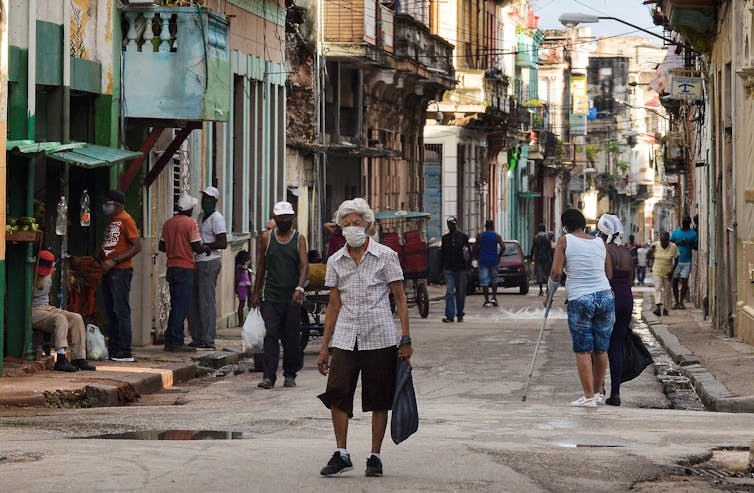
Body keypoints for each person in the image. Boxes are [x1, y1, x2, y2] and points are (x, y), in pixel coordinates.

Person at [316, 198, 412, 478]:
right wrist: (324, 348)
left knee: (379, 398)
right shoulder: (335, 261)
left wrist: (405, 338)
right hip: (346, 336)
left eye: (356, 224)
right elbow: (333, 305)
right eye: (346, 225)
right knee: (337, 393)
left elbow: (400, 298)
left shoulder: (386, 256)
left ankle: (375, 455)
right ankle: (341, 453)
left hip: (380, 335)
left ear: (368, 226)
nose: (351, 229)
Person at [549, 208, 615, 408]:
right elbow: (609, 272)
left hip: (580, 298)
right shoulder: (600, 242)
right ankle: (597, 393)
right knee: (601, 349)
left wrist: (549, 293)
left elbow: (556, 272)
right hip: (605, 295)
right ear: (585, 224)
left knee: (583, 350)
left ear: (565, 226)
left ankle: (587, 397)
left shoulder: (565, 241)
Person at [251, 201, 308, 389]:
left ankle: (290, 374)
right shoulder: (267, 238)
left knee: (291, 337)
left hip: (292, 297)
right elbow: (261, 265)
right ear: (275, 219)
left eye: (287, 218)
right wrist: (256, 292)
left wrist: (299, 289)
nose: (284, 221)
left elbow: (304, 266)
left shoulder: (299, 239)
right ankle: (268, 376)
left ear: (292, 219)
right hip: (271, 296)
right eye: (281, 218)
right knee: (270, 336)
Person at [31, 251, 97, 372]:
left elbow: (49, 295)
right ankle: (61, 357)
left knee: (76, 318)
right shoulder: (29, 274)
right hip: (33, 310)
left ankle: (79, 358)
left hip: (46, 307)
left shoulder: (50, 274)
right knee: (60, 319)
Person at [97, 189, 141, 363]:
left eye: (107, 203)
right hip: (109, 270)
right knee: (111, 310)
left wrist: (114, 261)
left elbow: (136, 246)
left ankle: (124, 350)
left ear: (116, 204)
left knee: (120, 310)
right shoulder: (113, 221)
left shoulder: (126, 220)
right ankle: (115, 348)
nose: (104, 206)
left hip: (120, 270)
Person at [158, 193, 205, 353]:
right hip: (185, 268)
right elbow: (196, 246)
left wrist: (175, 245)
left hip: (171, 267)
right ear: (190, 209)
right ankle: (176, 341)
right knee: (181, 306)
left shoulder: (169, 223)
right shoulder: (190, 223)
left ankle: (170, 339)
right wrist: (205, 248)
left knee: (175, 305)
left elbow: (161, 246)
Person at [597, 214, 634, 407]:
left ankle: (599, 387)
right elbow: (631, 280)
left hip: (610, 298)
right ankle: (616, 393)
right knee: (617, 346)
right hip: (626, 299)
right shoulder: (627, 252)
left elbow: (606, 276)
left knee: (601, 344)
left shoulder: (605, 250)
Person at [188, 186, 227, 351]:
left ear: (215, 201)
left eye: (209, 199)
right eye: (204, 198)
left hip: (209, 261)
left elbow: (223, 242)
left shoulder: (217, 218)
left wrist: (206, 246)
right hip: (197, 261)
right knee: (194, 302)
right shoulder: (201, 215)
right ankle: (197, 337)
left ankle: (208, 339)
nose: (205, 201)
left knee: (206, 301)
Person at [440, 216, 469, 323]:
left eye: (452, 224)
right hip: (448, 269)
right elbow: (442, 254)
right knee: (449, 291)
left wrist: (468, 268)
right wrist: (440, 270)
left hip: (461, 269)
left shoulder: (463, 237)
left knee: (460, 293)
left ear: (456, 224)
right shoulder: (445, 238)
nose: (451, 226)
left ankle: (460, 313)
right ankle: (450, 315)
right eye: (449, 224)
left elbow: (467, 253)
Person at [474, 219, 504, 307]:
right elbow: (503, 247)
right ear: (493, 226)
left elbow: (475, 247)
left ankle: (486, 300)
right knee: (494, 280)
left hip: (483, 261)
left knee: (484, 281)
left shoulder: (480, 236)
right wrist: (499, 256)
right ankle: (494, 298)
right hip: (493, 261)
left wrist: (475, 257)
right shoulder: (497, 236)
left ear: (485, 227)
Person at [649, 232, 679, 317]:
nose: (663, 243)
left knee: (667, 291)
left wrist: (672, 271)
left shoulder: (673, 247)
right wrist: (651, 250)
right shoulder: (655, 245)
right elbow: (649, 256)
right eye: (662, 241)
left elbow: (677, 260)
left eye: (665, 241)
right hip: (657, 270)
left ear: (668, 240)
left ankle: (666, 309)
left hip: (668, 272)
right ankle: (658, 307)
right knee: (658, 287)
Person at [670, 217, 698, 309]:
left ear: (690, 223)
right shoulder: (675, 233)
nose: (685, 224)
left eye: (687, 222)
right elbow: (670, 244)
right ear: (681, 223)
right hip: (676, 261)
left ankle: (681, 301)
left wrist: (688, 243)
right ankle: (677, 302)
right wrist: (678, 243)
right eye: (684, 222)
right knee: (675, 281)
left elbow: (696, 247)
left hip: (687, 261)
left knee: (684, 281)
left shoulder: (693, 234)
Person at [531, 224, 553, 296]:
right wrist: (552, 257)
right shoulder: (547, 237)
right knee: (547, 273)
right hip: (546, 258)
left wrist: (531, 256)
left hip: (538, 258)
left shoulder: (536, 237)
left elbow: (533, 248)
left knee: (539, 273)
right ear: (544, 229)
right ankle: (547, 288)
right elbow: (550, 248)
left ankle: (540, 290)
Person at [234, 250, 253, 326]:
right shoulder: (240, 267)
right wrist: (236, 285)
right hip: (241, 286)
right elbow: (238, 276)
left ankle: (245, 320)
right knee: (241, 304)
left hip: (245, 285)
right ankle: (240, 322)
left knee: (245, 303)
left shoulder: (244, 267)